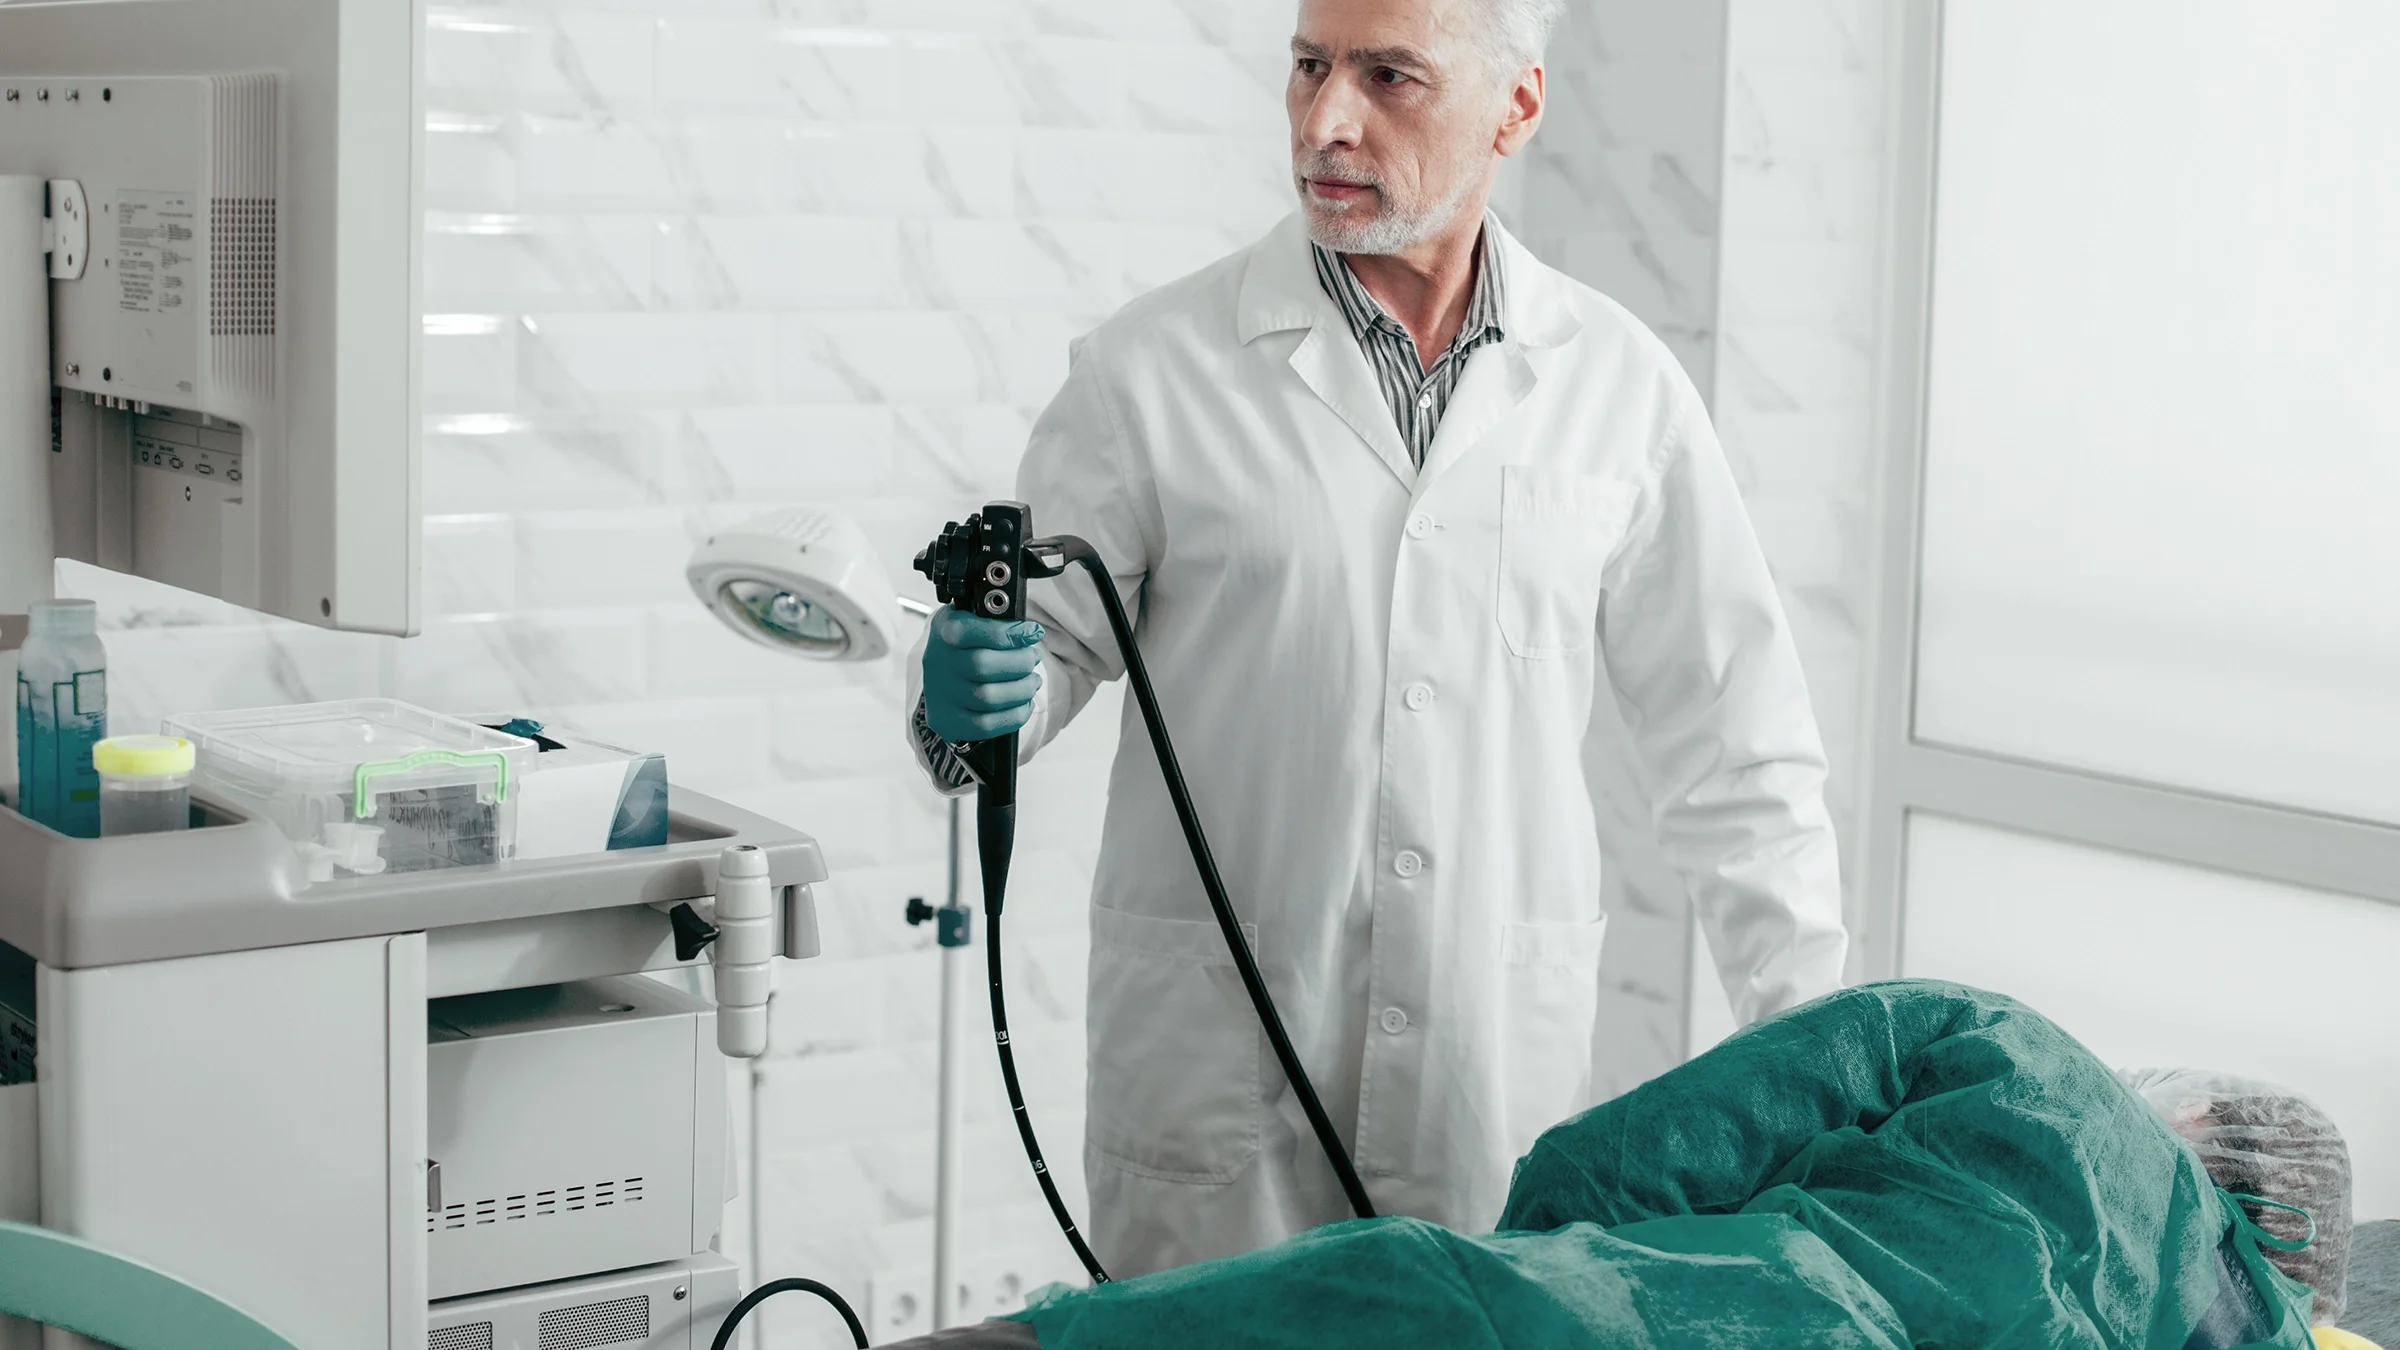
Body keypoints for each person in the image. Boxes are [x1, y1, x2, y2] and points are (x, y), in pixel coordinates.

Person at [904, 0, 1847, 1276]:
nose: (1324, 122)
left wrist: (1818, 1062)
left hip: (1489, 1080)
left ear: (1516, 104)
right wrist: (972, 703)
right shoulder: (1152, 371)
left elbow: (1740, 759)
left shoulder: (1617, 392)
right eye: (1308, 67)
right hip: (1214, 1087)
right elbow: (1032, 669)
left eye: (1388, 75)